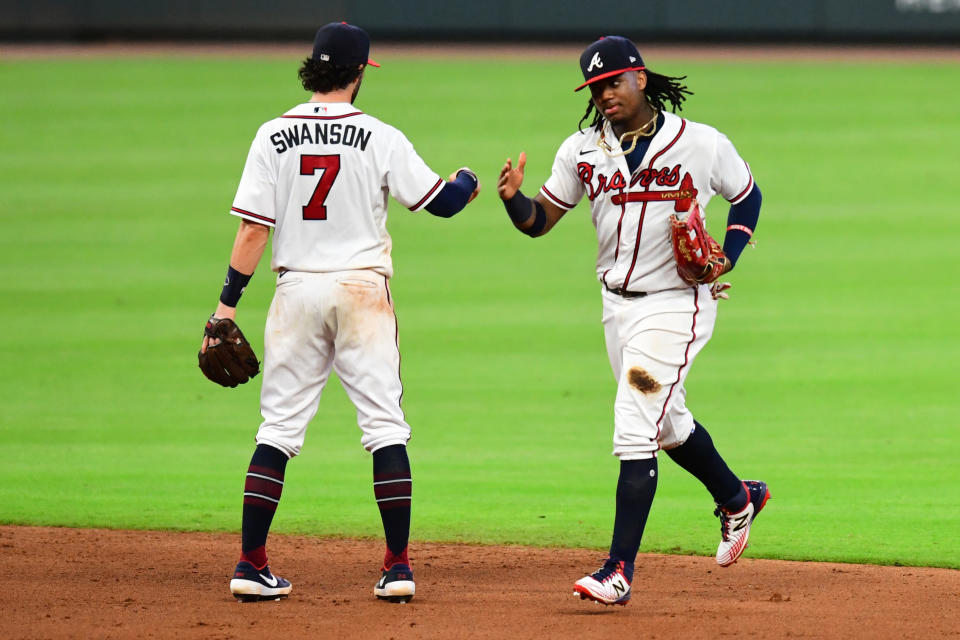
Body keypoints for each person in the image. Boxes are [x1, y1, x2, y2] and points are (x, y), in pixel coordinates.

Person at [201, 22, 480, 604]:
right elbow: (444, 203)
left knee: (277, 429)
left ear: (313, 69)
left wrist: (226, 305)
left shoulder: (271, 134)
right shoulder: (378, 135)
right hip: (361, 294)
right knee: (384, 428)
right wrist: (468, 180)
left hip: (295, 292)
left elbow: (254, 229)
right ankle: (397, 567)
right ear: (359, 73)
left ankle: (250, 564)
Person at [496, 36, 767, 606]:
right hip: (616, 308)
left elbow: (747, 195)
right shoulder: (581, 150)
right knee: (665, 425)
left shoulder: (700, 143)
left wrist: (730, 254)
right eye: (595, 88)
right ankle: (738, 497)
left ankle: (617, 571)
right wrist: (514, 201)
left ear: (641, 79)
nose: (605, 94)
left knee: (633, 419)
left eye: (613, 82)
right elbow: (541, 221)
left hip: (677, 305)